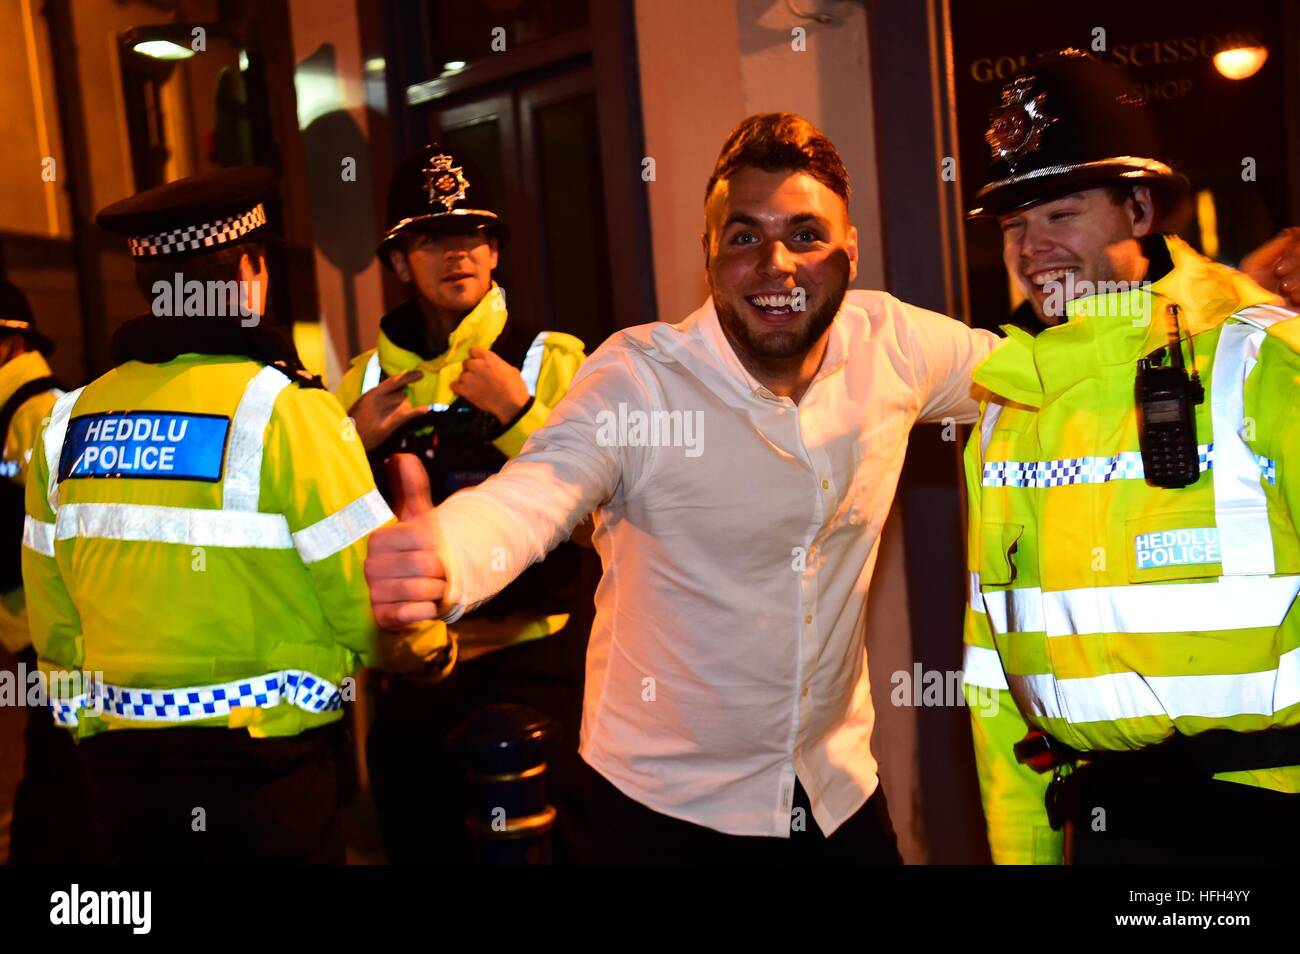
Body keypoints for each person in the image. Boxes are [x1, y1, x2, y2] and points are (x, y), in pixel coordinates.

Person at [365, 113, 1003, 863]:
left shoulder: (894, 344)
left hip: (836, 793)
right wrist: (446, 552)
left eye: (805, 234)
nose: (777, 263)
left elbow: (1036, 383)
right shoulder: (638, 381)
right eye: (743, 237)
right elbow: (536, 491)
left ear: (850, 250)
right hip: (661, 814)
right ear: (708, 254)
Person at [21, 167, 447, 864]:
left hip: (124, 785)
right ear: (250, 273)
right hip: (265, 784)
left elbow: (54, 618)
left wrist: (89, 733)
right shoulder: (286, 411)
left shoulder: (66, 424)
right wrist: (433, 656)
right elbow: (366, 604)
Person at [959, 50, 1300, 864]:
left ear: (1140, 209)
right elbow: (992, 682)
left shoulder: (1262, 362)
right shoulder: (1008, 411)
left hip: (1271, 823)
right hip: (1107, 826)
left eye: (1060, 215)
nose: (1032, 248)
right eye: (1015, 225)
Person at [334, 144, 591, 863]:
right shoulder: (357, 383)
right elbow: (319, 530)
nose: (458, 253)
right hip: (411, 681)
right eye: (432, 238)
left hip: (537, 665)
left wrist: (518, 416)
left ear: (496, 249)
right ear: (397, 261)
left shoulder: (554, 360)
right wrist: (351, 444)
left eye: (474, 234)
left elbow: (610, 512)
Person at [0, 280, 97, 863]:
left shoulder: (38, 411)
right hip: (38, 625)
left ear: (9, 342)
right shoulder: (19, 408)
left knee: (58, 773)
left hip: (57, 631)